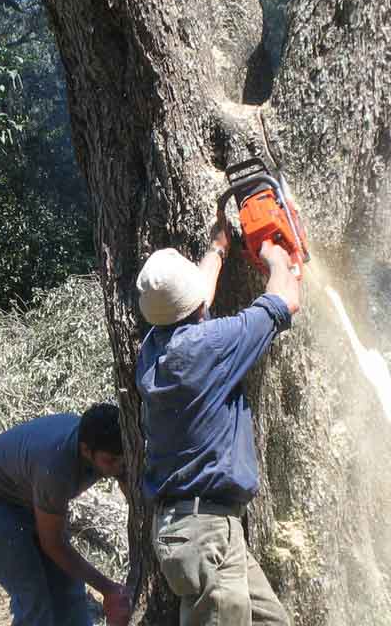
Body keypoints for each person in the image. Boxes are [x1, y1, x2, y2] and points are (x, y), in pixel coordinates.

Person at [134, 216, 301, 626]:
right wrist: (276, 256)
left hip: (192, 529)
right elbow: (285, 301)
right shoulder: (211, 346)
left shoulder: (153, 350)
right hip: (206, 531)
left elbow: (196, 300)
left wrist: (218, 249)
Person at [0, 403, 132, 626]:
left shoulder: (109, 446)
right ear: (85, 450)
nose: (117, 467)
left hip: (28, 495)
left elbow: (128, 485)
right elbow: (53, 544)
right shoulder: (56, 466)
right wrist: (109, 590)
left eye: (122, 459)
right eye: (110, 461)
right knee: (35, 599)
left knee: (69, 590)